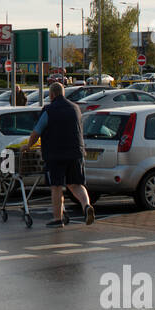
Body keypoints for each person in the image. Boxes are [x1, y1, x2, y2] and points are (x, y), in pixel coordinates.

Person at [25, 81, 95, 227]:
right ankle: (87, 206)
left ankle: (58, 219)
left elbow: (36, 132)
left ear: (52, 94)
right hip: (76, 152)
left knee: (56, 186)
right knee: (76, 184)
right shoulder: (75, 108)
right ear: (63, 94)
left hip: (55, 154)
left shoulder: (49, 110)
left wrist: (28, 146)